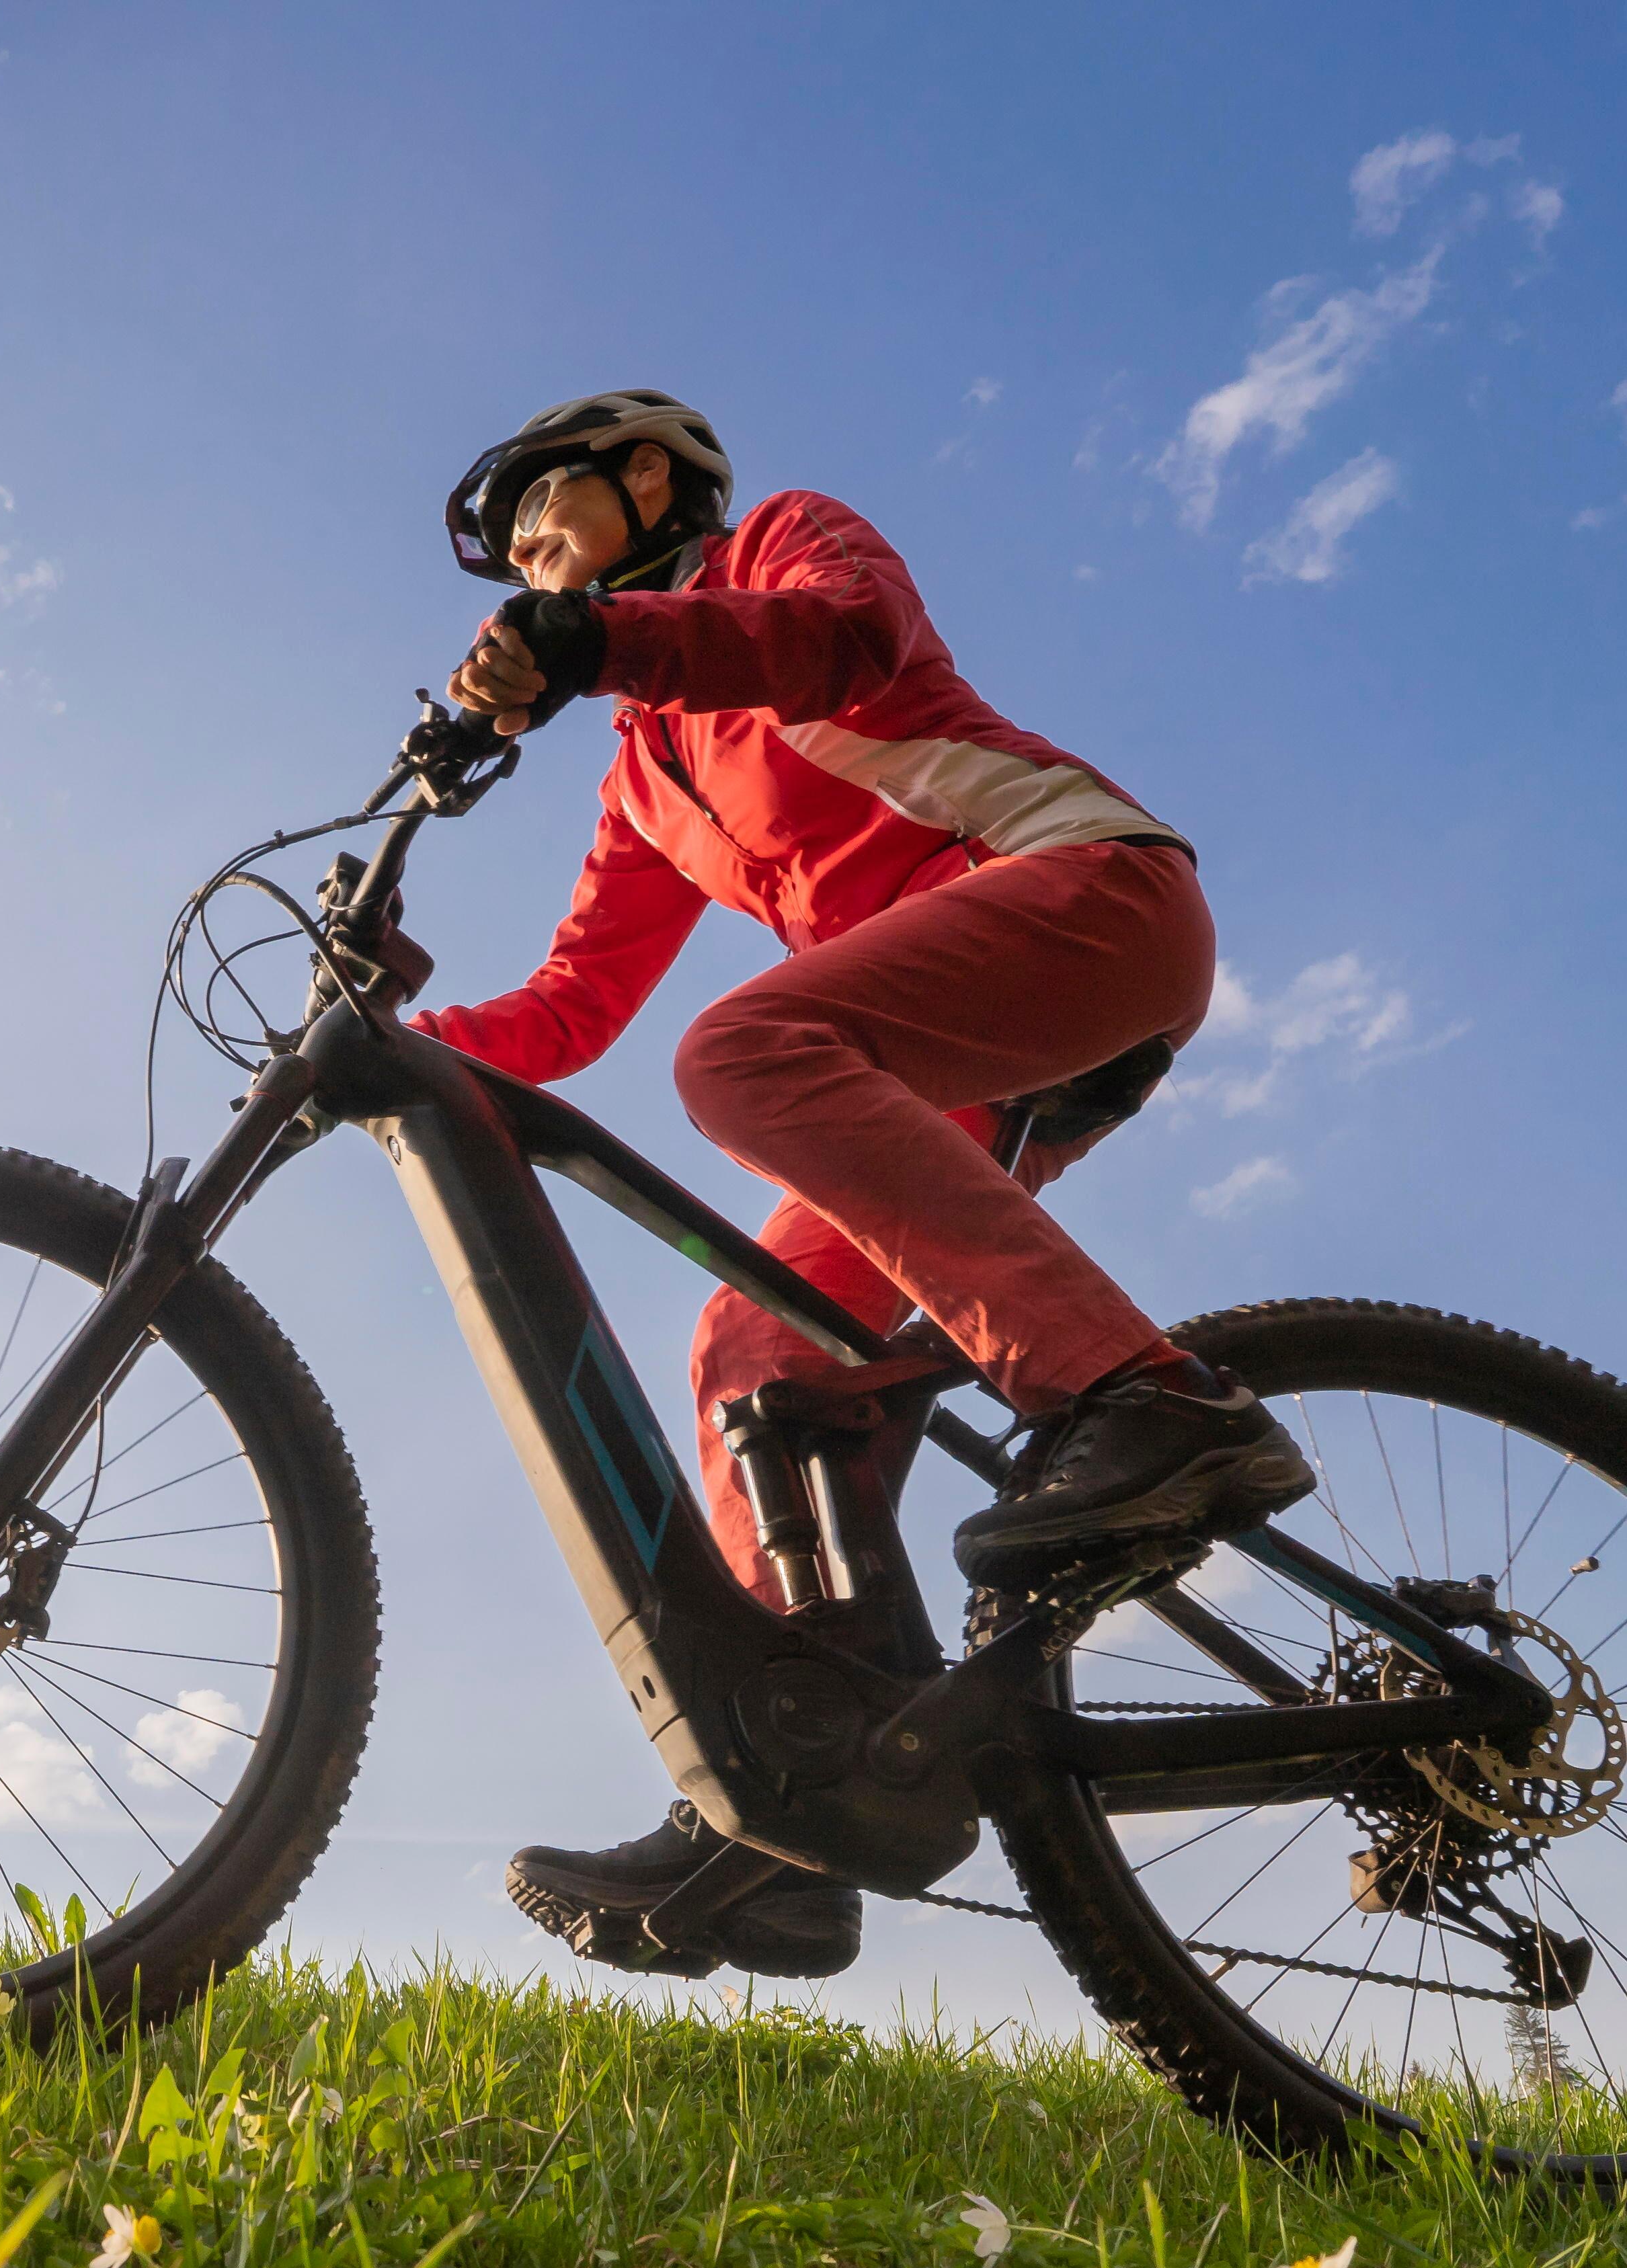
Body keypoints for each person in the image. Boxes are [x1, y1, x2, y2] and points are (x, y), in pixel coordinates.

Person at [417, 391, 1315, 1982]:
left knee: (743, 1054)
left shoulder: (783, 546)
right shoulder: (645, 776)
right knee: (758, 1353)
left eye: (548, 519)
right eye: (518, 560)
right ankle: (801, 1807)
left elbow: (837, 643)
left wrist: (592, 642)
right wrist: (390, 1037)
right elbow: (570, 1007)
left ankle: (1151, 1400)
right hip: (929, 1062)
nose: (532, 557)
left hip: (1083, 893)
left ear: (647, 483)